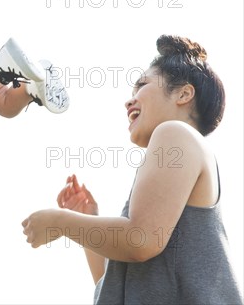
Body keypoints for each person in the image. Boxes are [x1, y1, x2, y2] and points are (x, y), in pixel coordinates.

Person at [21, 35, 243, 304]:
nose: (130, 101)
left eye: (142, 85)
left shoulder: (175, 133)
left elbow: (141, 241)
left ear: (184, 94)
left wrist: (60, 223)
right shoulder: (177, 150)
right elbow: (117, 282)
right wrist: (88, 219)